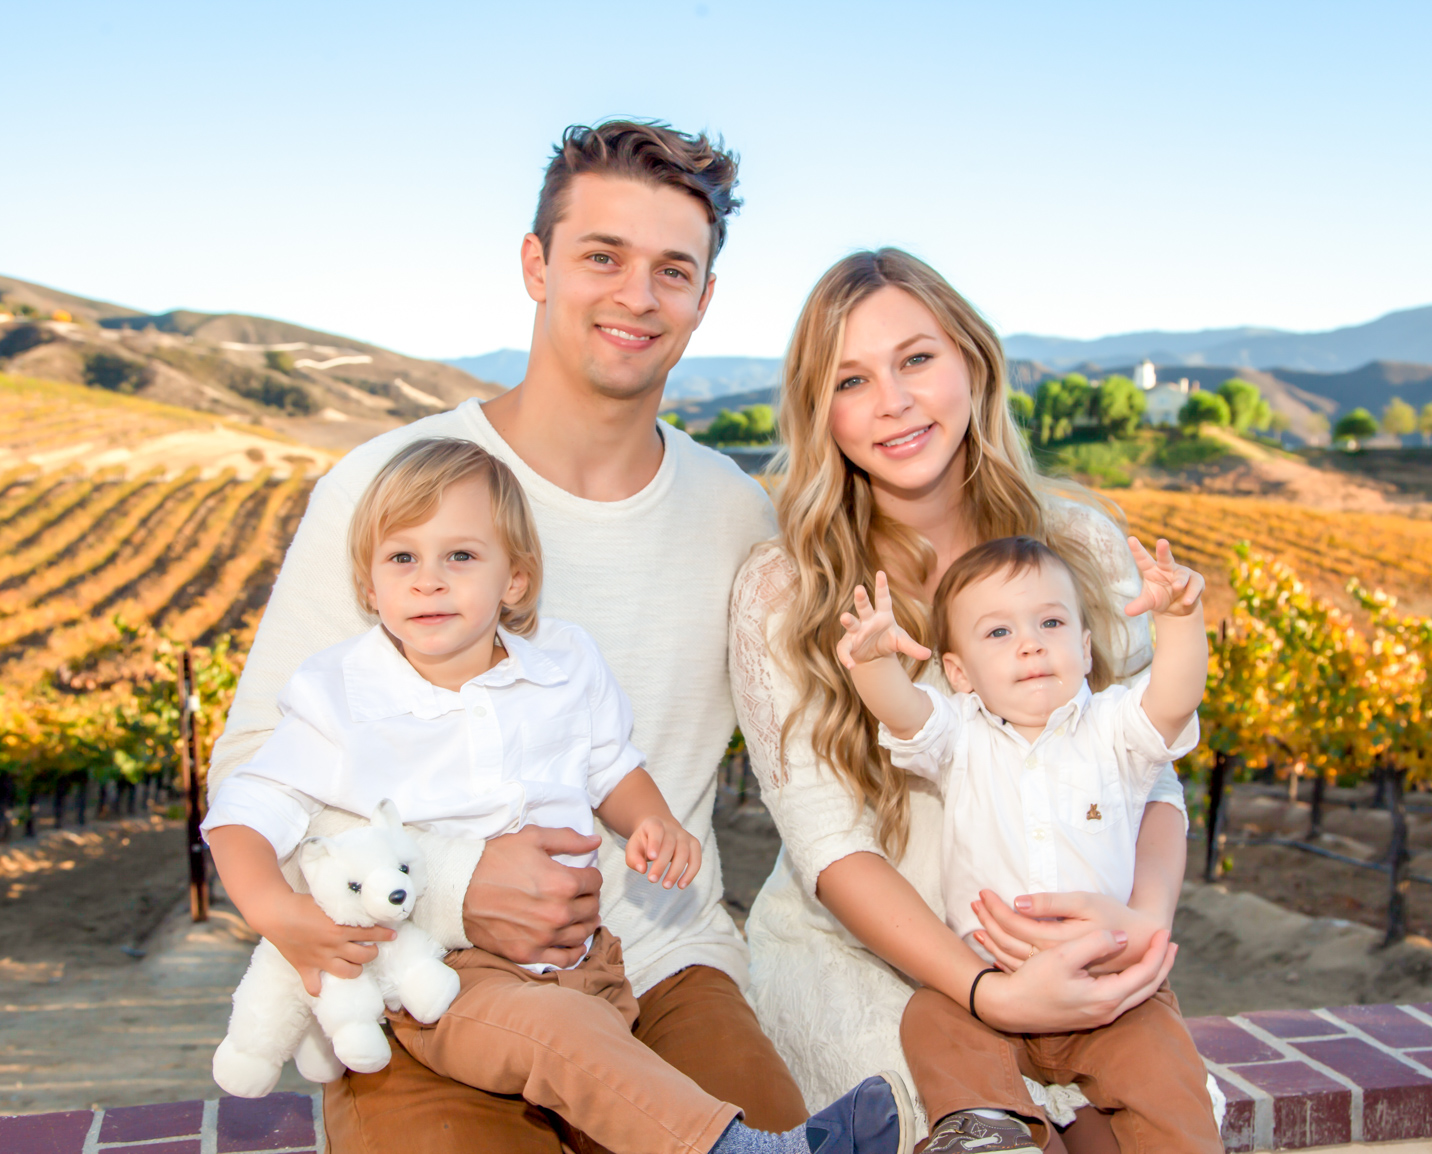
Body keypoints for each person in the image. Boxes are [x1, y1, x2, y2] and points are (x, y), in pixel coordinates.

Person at [212, 120, 810, 1152]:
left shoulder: (734, 514)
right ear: (536, 265)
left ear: (704, 298)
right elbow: (252, 773)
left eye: (673, 270)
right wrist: (455, 887)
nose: (637, 296)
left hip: (661, 964)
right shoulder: (390, 492)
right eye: (602, 256)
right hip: (425, 983)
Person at [205, 439, 910, 1154]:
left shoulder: (564, 665)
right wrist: (275, 911)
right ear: (367, 587)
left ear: (515, 579)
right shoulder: (340, 693)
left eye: (460, 556)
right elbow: (245, 809)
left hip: (588, 962)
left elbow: (612, 766)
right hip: (443, 978)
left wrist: (652, 820)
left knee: (605, 1069)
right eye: (402, 558)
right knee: (567, 1039)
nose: (428, 582)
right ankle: (749, 1150)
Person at [728, 249, 1196, 1151]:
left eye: (916, 359)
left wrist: (1140, 922)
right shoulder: (785, 590)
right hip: (875, 964)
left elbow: (1152, 775)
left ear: (973, 364)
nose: (893, 401)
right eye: (851, 380)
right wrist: (988, 993)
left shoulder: (1080, 548)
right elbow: (828, 844)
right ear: (819, 411)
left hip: (1068, 947)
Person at [836, 535, 1220, 1153]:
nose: (1030, 643)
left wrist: (1179, 618)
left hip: (1111, 988)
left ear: (1085, 649)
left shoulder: (1114, 730)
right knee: (931, 1017)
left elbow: (1174, 700)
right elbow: (904, 712)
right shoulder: (961, 736)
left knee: (1168, 1077)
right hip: (994, 987)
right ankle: (987, 1126)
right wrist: (872, 664)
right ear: (959, 673)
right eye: (998, 632)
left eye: (1051, 622)